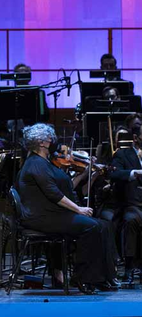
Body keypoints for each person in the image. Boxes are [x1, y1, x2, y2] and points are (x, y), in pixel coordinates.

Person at [16, 123, 118, 294]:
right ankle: (83, 277)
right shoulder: (35, 164)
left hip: (51, 214)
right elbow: (53, 194)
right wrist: (78, 209)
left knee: (104, 225)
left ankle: (104, 277)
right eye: (50, 138)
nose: (52, 140)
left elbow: (60, 188)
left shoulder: (43, 162)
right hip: (42, 217)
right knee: (92, 226)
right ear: (41, 142)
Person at [110, 123, 142, 282]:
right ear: (136, 138)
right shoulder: (123, 154)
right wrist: (134, 173)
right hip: (132, 203)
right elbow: (115, 174)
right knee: (131, 220)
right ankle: (129, 266)